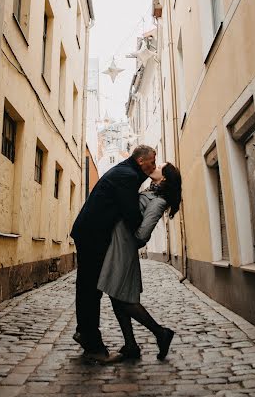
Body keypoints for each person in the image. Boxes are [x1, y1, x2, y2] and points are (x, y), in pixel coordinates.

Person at [70, 145, 157, 363]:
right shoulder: (127, 176)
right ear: (141, 161)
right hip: (92, 234)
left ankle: (85, 333)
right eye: (152, 162)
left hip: (92, 233)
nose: (154, 166)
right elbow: (130, 213)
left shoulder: (126, 172)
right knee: (90, 289)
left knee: (88, 287)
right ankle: (92, 344)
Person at [97, 162, 182, 361]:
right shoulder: (150, 191)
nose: (156, 166)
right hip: (119, 243)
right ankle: (131, 345)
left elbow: (143, 234)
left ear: (165, 178)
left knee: (122, 297)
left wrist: (127, 238)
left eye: (160, 166)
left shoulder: (159, 201)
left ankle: (161, 333)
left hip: (123, 246)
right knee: (116, 294)